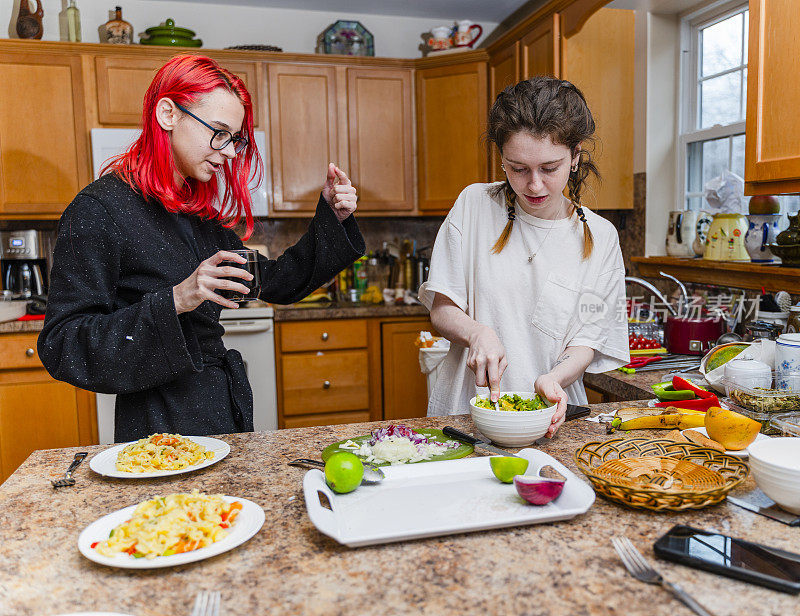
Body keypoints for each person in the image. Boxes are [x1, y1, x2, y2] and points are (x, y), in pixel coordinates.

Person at [38, 55, 365, 442]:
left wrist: (332, 217)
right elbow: (63, 343)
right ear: (168, 114)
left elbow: (277, 281)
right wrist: (177, 298)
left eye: (235, 139)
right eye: (219, 132)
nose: (229, 152)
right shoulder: (100, 210)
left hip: (221, 409)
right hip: (156, 424)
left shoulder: (199, 215)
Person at [418, 76, 629, 437]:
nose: (533, 185)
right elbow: (442, 307)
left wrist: (553, 378)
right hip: (466, 416)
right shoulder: (474, 205)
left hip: (551, 416)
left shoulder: (601, 238)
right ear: (501, 158)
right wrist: (477, 332)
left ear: (575, 155)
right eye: (518, 168)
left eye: (549, 168)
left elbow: (586, 341)